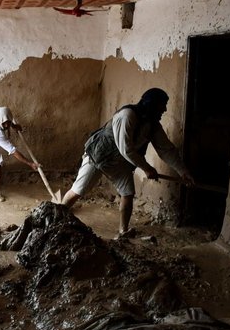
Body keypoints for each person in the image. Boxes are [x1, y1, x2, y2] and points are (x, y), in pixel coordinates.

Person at [61, 88, 195, 238]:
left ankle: (123, 231)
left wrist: (183, 172)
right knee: (79, 189)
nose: (164, 109)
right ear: (151, 105)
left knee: (127, 193)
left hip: (120, 161)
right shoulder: (127, 116)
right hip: (100, 154)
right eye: (162, 105)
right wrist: (147, 168)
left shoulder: (153, 125)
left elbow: (167, 150)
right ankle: (57, 216)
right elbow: (126, 149)